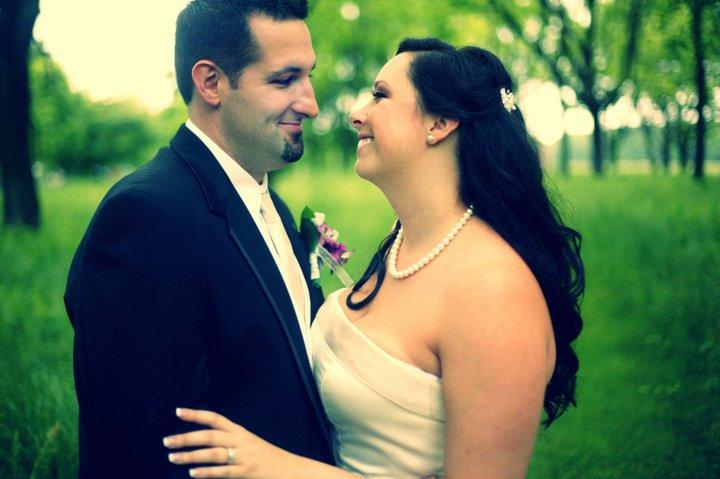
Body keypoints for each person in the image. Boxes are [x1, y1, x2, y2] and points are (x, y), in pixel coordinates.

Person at [163, 38, 585, 478]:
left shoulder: (494, 291)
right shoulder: (402, 248)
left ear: (440, 123)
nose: (356, 114)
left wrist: (278, 467)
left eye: (380, 96)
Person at [63, 1, 335, 477]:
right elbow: (148, 448)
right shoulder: (146, 218)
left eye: (308, 76)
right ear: (211, 83)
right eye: (284, 80)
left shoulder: (269, 203)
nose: (310, 103)